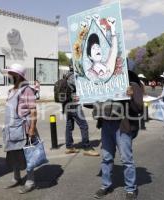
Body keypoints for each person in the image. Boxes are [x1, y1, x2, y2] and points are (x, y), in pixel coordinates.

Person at [94, 70, 143, 200]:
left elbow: (139, 108)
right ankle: (106, 185)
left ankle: (131, 189)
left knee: (126, 159)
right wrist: (81, 98)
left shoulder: (132, 83)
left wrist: (131, 96)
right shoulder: (103, 81)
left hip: (122, 126)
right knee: (106, 157)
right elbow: (93, 100)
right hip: (106, 125)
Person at [1, 63, 38, 194]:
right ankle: (16, 177)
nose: (9, 76)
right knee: (13, 155)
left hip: (23, 130)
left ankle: (30, 181)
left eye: (11, 74)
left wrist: (32, 128)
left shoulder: (26, 90)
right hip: (11, 129)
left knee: (28, 156)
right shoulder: (11, 91)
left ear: (18, 76)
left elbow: (33, 111)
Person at [63, 67, 99, 156]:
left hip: (67, 103)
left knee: (69, 125)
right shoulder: (73, 76)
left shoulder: (66, 75)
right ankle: (87, 147)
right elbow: (81, 86)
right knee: (84, 125)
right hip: (74, 103)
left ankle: (69, 146)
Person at [86, 17, 118, 82]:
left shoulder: (108, 66)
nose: (97, 49)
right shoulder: (88, 73)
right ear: (89, 56)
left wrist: (112, 28)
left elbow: (114, 51)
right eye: (94, 48)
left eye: (98, 47)